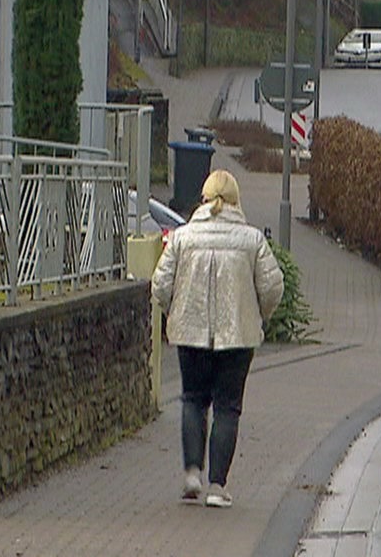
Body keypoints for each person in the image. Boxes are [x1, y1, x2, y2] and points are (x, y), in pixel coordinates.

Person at [151, 168, 284, 507]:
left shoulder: (183, 238)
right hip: (237, 337)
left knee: (193, 399)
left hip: (190, 333)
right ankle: (216, 486)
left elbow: (160, 284)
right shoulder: (252, 240)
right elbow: (272, 287)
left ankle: (192, 472)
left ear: (204, 199)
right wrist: (258, 314)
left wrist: (174, 312)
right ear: (236, 201)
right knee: (227, 406)